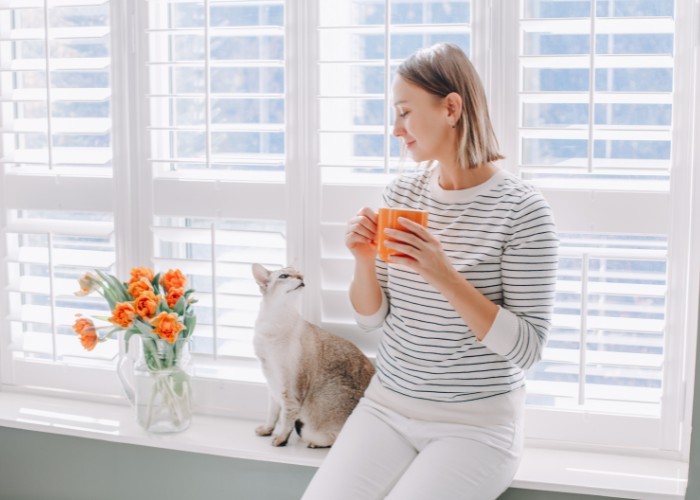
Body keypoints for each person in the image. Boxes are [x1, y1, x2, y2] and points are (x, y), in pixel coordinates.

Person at [301, 42, 559, 500]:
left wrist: (443, 274)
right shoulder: (402, 194)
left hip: (476, 425)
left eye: (404, 112)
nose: (396, 129)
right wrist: (362, 259)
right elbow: (372, 320)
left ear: (451, 108)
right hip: (386, 406)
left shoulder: (523, 211)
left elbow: (527, 349)